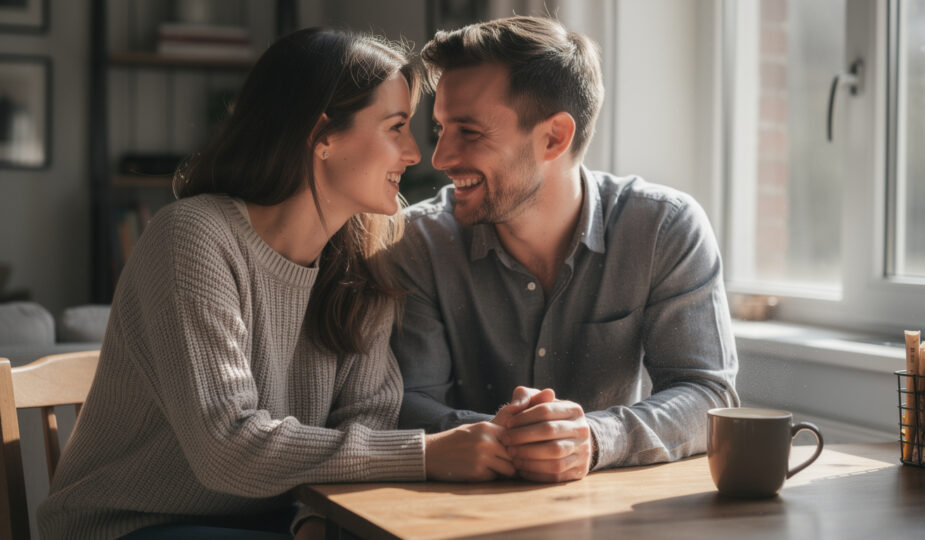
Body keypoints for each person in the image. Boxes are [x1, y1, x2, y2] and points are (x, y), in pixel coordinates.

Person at [38, 28, 515, 540]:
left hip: (274, 520)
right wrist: (424, 453)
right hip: (134, 525)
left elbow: (367, 420)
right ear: (322, 135)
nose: (415, 153)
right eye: (396, 127)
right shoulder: (194, 237)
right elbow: (227, 447)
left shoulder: (364, 263)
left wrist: (314, 517)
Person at [389, 16, 740, 483]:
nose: (440, 158)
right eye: (440, 129)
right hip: (456, 509)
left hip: (610, 509)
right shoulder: (419, 242)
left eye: (469, 132)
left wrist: (594, 439)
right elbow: (406, 402)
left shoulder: (664, 227)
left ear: (554, 137)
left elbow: (708, 395)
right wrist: (514, 438)